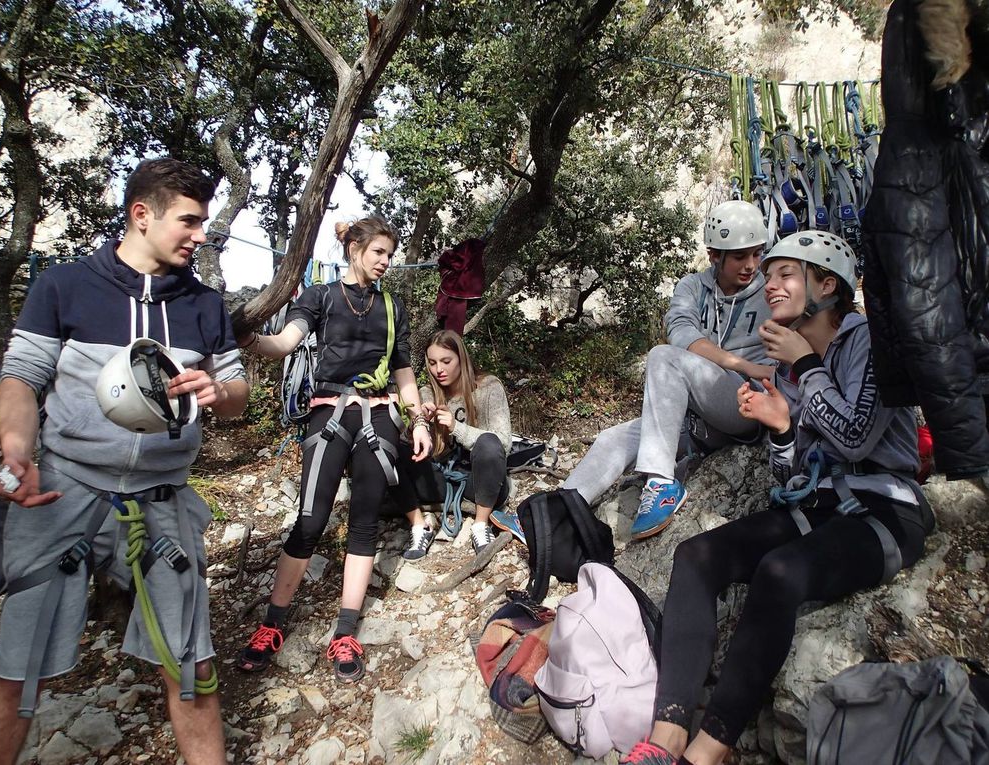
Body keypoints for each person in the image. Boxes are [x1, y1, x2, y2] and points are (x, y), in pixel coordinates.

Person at [0, 158, 250, 765]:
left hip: (163, 501)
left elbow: (237, 396)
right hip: (63, 492)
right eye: (189, 221)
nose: (201, 234)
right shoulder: (64, 286)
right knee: (17, 678)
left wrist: (217, 390)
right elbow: (20, 378)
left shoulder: (204, 306)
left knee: (192, 669)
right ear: (141, 215)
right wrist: (17, 448)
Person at [622, 231, 930, 765]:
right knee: (695, 556)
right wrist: (782, 430)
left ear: (825, 283)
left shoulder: (874, 342)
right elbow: (787, 482)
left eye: (785, 274)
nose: (770, 285)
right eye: (769, 276)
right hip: (821, 504)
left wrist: (808, 366)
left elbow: (857, 437)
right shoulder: (787, 366)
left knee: (781, 572)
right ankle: (666, 734)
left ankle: (708, 749)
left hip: (887, 508)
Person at [494, 200, 773, 541]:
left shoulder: (771, 292)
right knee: (614, 438)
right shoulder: (693, 288)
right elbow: (682, 334)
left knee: (663, 357)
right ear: (715, 255)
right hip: (701, 417)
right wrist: (744, 364)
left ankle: (661, 484)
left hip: (743, 406)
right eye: (740, 256)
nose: (751, 265)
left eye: (757, 254)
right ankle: (549, 514)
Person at [235, 216, 431, 681]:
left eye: (390, 254)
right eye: (378, 252)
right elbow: (285, 342)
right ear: (355, 248)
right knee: (310, 519)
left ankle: (346, 632)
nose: (386, 262)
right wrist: (247, 337)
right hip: (329, 410)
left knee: (363, 519)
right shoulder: (320, 295)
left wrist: (419, 421)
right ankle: (272, 624)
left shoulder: (392, 306)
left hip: (379, 412)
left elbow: (404, 371)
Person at [398, 329, 512, 559]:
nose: (439, 370)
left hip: (482, 482)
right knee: (391, 446)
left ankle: (481, 525)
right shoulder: (426, 392)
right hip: (440, 478)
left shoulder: (489, 388)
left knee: (488, 442)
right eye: (432, 363)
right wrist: (419, 424)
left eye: (446, 361)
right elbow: (407, 448)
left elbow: (503, 443)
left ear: (461, 358)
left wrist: (456, 428)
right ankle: (420, 526)